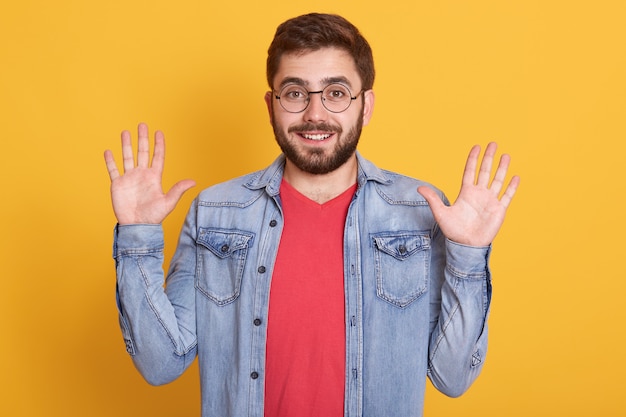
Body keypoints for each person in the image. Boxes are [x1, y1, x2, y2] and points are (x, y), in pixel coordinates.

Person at [104, 12, 519, 417]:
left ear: (366, 105)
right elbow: (160, 364)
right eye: (295, 93)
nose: (315, 114)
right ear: (271, 105)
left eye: (336, 92)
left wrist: (468, 255)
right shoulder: (216, 212)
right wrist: (137, 235)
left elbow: (452, 378)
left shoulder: (419, 212)